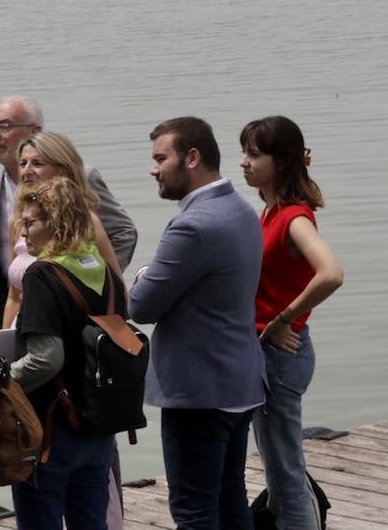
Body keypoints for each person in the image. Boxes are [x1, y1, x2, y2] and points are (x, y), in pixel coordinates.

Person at [128, 117, 265, 530]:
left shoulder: (192, 226)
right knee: (229, 500)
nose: (154, 168)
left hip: (201, 392)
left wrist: (141, 274)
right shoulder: (241, 209)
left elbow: (142, 306)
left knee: (194, 512)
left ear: (192, 157)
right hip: (239, 382)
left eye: (160, 158)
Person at [240, 116, 344, 530]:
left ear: (281, 162)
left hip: (279, 354)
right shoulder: (270, 211)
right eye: (244, 152)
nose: (244, 162)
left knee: (284, 473)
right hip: (268, 352)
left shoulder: (294, 218)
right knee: (281, 469)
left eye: (254, 154)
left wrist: (286, 319)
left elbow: (331, 273)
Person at [10, 177, 126, 530]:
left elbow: (46, 358)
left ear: (57, 222)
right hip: (98, 426)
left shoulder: (42, 274)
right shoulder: (104, 272)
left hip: (52, 429)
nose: (24, 231)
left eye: (30, 222)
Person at [0, 95, 137, 328]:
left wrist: (90, 284)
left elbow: (121, 247)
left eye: (4, 126)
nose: (27, 171)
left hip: (70, 323)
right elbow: (10, 285)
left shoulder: (86, 215)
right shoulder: (11, 210)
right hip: (21, 321)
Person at [4, 131, 123, 329]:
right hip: (22, 330)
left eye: (38, 163)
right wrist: (2, 346)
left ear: (63, 171)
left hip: (67, 335)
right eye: (23, 163)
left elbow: (116, 287)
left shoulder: (86, 222)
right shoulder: (17, 223)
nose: (27, 171)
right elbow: (13, 297)